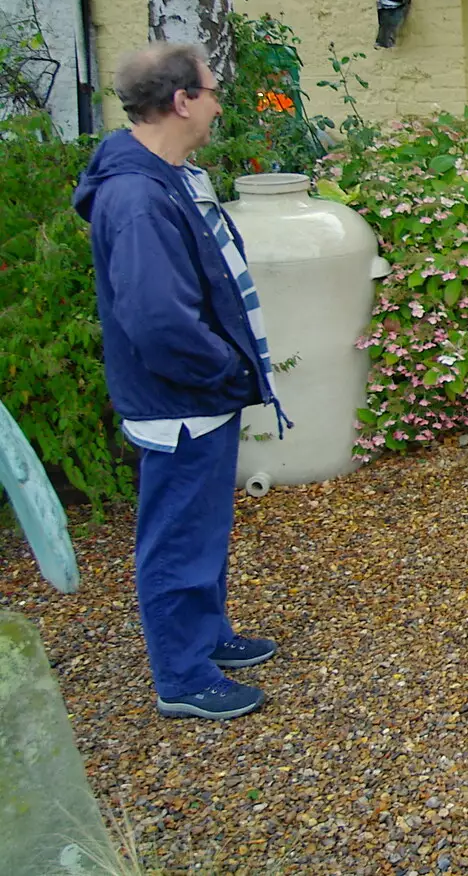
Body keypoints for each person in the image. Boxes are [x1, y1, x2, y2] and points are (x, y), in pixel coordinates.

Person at [73, 43, 290, 720]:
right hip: (181, 402)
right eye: (211, 91)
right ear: (181, 101)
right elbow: (157, 319)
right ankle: (182, 676)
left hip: (198, 398)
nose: (219, 105)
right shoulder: (137, 196)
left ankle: (207, 636)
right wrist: (223, 370)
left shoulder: (166, 175)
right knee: (175, 536)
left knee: (201, 526)